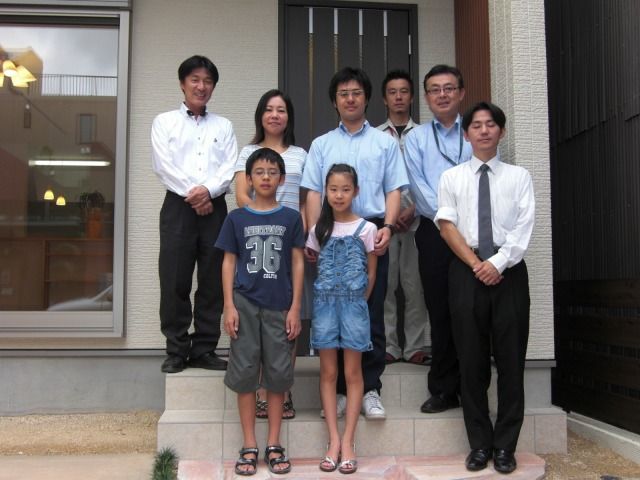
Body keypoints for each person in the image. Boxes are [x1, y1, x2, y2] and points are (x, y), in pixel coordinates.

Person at [302, 66, 408, 420]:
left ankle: (371, 388)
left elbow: (394, 189)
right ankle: (339, 392)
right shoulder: (321, 144)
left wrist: (388, 227)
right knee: (332, 312)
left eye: (356, 93)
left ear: (367, 98)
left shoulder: (384, 142)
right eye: (343, 94)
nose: (350, 99)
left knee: (370, 311)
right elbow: (313, 192)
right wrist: (315, 236)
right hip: (331, 234)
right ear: (335, 101)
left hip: (370, 232)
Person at [435, 102, 534, 473]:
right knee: (471, 361)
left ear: (501, 132)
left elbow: (524, 226)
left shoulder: (519, 176)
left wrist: (498, 262)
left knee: (511, 361)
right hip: (467, 271)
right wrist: (477, 264)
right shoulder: (452, 178)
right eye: (476, 125)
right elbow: (446, 225)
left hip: (510, 272)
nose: (484, 130)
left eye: (491, 124)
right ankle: (479, 444)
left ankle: (506, 446)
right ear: (466, 134)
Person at [216, 147, 304, 475]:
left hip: (280, 304)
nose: (266, 177)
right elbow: (228, 262)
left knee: (278, 376)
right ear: (249, 179)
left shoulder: (291, 218)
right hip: (244, 303)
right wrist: (228, 305)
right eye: (259, 172)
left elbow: (298, 262)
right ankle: (250, 444)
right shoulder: (236, 218)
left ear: (282, 179)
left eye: (272, 172)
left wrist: (295, 307)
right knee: (244, 375)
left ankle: (274, 443)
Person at [151, 55, 237, 374]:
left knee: (213, 279)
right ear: (182, 84)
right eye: (195, 80)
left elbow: (230, 167)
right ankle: (176, 349)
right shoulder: (164, 122)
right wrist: (197, 194)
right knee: (174, 277)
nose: (201, 86)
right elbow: (163, 165)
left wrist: (208, 192)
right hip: (178, 207)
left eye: (208, 81)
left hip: (215, 209)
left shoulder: (223, 126)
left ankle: (204, 348)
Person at [234, 89, 307, 421]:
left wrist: (302, 232)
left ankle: (283, 390)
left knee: (287, 319)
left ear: (289, 116)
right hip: (257, 244)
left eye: (281, 109)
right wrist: (266, 220)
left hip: (290, 242)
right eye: (269, 109)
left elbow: (307, 199)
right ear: (260, 115)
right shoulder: (248, 152)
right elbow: (241, 196)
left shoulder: (301, 154)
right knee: (256, 318)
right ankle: (262, 392)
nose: (275, 115)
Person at [404, 64, 473, 412]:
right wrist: (448, 220)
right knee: (440, 308)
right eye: (434, 89)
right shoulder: (415, 138)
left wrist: (465, 221)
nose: (442, 95)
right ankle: (444, 389)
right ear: (426, 96)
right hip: (435, 231)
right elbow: (417, 187)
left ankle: (472, 387)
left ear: (461, 93)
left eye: (449, 88)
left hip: (475, 232)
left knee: (471, 308)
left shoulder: (475, 130)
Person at [306, 164, 378, 474]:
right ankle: (333, 440)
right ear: (326, 192)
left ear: (356, 191)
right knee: (328, 372)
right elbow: (313, 267)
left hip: (354, 308)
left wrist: (357, 301)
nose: (339, 195)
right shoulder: (318, 231)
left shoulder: (367, 229)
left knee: (353, 373)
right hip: (324, 307)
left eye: (345, 189)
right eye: (333, 189)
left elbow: (371, 273)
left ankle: (349, 441)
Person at [377, 70, 430, 366]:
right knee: (384, 285)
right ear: (384, 99)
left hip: (417, 221)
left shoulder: (423, 135)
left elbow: (432, 179)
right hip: (384, 222)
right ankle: (388, 345)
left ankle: (415, 347)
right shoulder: (375, 135)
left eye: (404, 91)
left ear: (411, 97)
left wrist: (414, 209)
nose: (398, 97)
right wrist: (390, 214)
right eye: (392, 92)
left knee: (414, 285)